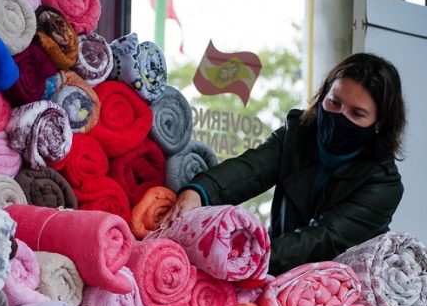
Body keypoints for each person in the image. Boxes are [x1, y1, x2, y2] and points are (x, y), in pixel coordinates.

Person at [161, 53, 406, 275]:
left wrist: (246, 257)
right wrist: (198, 192)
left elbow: (325, 238)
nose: (340, 116)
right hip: (273, 269)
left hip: (335, 291)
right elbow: (251, 170)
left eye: (357, 113)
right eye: (334, 102)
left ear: (379, 123)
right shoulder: (297, 134)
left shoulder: (383, 185)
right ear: (323, 96)